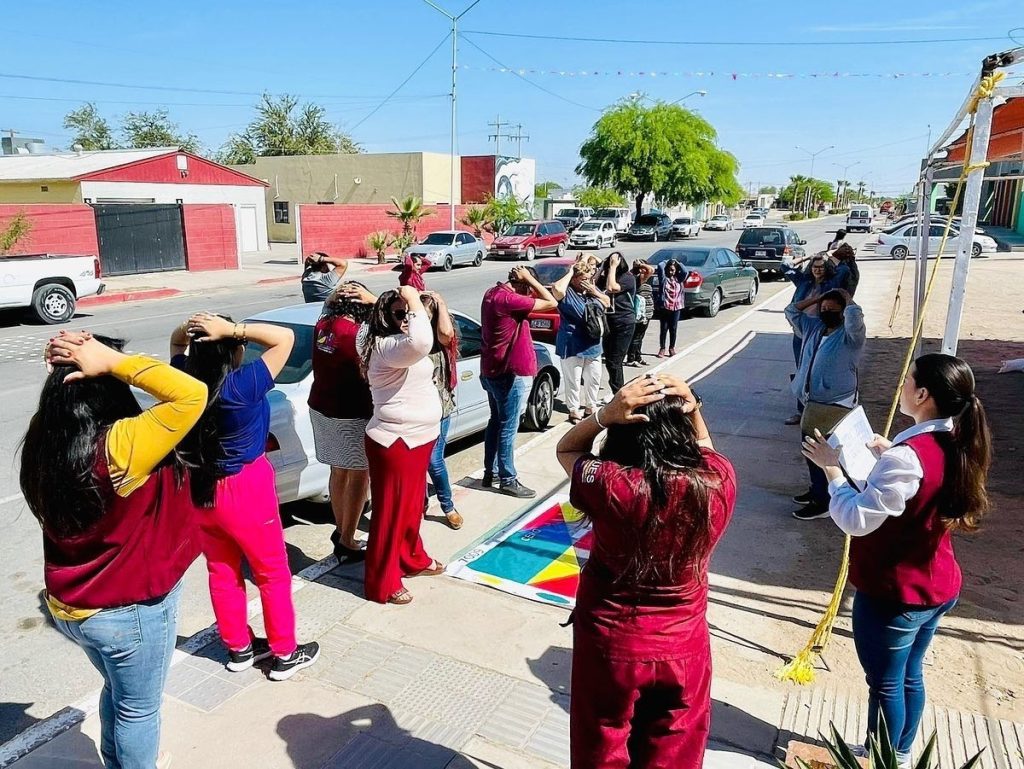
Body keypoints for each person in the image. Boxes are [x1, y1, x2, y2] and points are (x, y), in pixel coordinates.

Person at [21, 331, 208, 769]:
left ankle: (116, 760)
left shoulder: (46, 436)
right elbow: (191, 394)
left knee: (119, 694)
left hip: (72, 608)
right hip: (129, 612)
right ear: (108, 381)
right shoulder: (121, 444)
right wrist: (116, 359)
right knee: (139, 709)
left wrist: (93, 360)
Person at [802, 354, 991, 769]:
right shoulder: (952, 440)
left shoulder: (908, 457)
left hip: (896, 593)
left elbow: (856, 519)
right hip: (937, 584)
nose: (902, 385)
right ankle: (899, 752)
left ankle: (887, 758)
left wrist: (833, 471)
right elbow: (921, 482)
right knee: (909, 674)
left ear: (923, 394)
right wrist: (891, 453)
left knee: (886, 683)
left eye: (908, 380)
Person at [556, 374, 736, 769]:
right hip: (683, 646)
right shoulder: (716, 483)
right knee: (674, 753)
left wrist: (604, 415)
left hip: (612, 644)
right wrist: (694, 407)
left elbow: (567, 447)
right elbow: (706, 448)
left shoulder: (611, 484)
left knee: (600, 750)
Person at [173, 312, 320, 681]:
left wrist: (190, 328)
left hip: (202, 486)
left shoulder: (184, 380)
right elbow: (283, 338)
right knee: (272, 572)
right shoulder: (242, 384)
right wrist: (232, 329)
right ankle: (285, 652)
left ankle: (238, 647)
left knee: (221, 570)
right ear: (234, 349)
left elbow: (176, 344)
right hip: (246, 486)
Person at [359, 286, 442, 604]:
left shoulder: (391, 340)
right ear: (385, 318)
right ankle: (382, 581)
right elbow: (422, 342)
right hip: (396, 442)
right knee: (390, 514)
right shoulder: (388, 346)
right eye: (400, 313)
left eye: (409, 313)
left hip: (418, 439)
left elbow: (427, 334)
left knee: (410, 510)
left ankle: (411, 558)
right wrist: (410, 296)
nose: (409, 317)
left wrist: (412, 303)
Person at [308, 281, 377, 563]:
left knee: (338, 471)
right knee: (359, 473)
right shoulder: (358, 334)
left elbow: (326, 306)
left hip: (322, 406)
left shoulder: (323, 326)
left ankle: (341, 529)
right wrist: (374, 299)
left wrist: (337, 293)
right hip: (352, 411)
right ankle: (347, 540)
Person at [785, 289, 866, 520]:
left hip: (834, 402)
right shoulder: (814, 328)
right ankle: (817, 491)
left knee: (820, 450)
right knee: (811, 449)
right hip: (812, 400)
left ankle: (824, 500)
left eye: (833, 309)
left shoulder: (851, 336)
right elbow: (791, 311)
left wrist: (847, 298)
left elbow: (855, 318)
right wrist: (817, 299)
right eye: (824, 308)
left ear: (843, 312)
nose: (827, 311)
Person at [479, 266, 558, 498]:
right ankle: (507, 478)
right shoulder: (509, 300)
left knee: (496, 421)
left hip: (490, 369)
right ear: (522, 284)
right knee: (508, 426)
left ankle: (490, 471)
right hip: (505, 373)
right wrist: (532, 280)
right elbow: (551, 301)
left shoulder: (492, 293)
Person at [422, 291, 464, 530]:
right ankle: (420, 504)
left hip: (439, 408)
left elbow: (447, 334)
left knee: (433, 460)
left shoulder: (442, 343)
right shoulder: (411, 340)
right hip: (414, 411)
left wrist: (441, 302)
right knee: (417, 462)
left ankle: (448, 506)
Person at [550, 256, 610, 423]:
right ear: (575, 279)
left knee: (594, 377)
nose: (587, 281)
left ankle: (591, 405)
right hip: (572, 343)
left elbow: (607, 302)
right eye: (583, 279)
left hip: (593, 343)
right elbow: (556, 288)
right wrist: (570, 271)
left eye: (589, 278)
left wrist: (594, 290)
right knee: (574, 379)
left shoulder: (591, 292)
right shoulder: (567, 292)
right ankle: (574, 409)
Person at [781, 255, 838, 426]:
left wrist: (832, 257)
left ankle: (818, 410)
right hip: (801, 332)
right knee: (801, 370)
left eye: (821, 267)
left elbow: (846, 272)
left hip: (822, 331)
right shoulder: (803, 282)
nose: (818, 270)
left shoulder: (832, 284)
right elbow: (785, 265)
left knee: (818, 371)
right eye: (815, 267)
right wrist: (806, 257)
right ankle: (801, 411)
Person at [595, 252, 637, 394]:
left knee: (615, 361)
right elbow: (592, 285)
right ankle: (618, 391)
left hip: (624, 322)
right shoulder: (606, 276)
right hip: (609, 322)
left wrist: (613, 266)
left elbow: (612, 287)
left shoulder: (628, 278)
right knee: (609, 360)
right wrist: (601, 268)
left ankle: (618, 393)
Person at [626, 259, 657, 367]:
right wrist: (640, 265)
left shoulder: (642, 278)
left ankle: (638, 357)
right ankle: (631, 358)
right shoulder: (637, 278)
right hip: (639, 313)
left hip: (647, 312)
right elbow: (651, 270)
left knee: (640, 337)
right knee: (636, 337)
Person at [655, 258, 685, 358]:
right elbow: (660, 266)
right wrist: (667, 261)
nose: (670, 272)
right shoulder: (664, 279)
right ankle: (662, 348)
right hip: (665, 307)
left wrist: (677, 262)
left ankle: (671, 347)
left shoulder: (679, 279)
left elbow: (685, 271)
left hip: (676, 307)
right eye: (669, 269)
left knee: (673, 328)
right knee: (664, 328)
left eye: (672, 270)